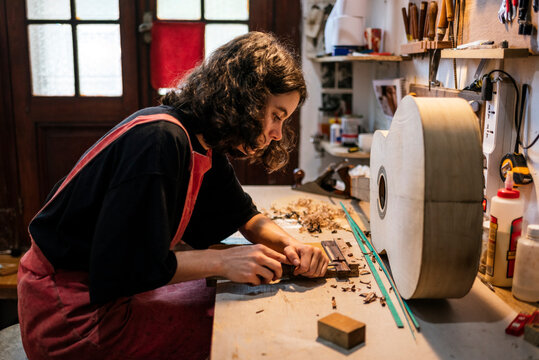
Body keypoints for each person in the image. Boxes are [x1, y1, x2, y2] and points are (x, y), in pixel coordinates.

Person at [17, 31, 329, 360]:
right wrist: (222, 261)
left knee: (234, 299)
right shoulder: (160, 140)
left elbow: (244, 216)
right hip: (69, 313)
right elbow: (126, 269)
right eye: (277, 116)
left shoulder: (203, 142)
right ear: (246, 100)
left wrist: (291, 245)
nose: (278, 133)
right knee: (241, 332)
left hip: (106, 290)